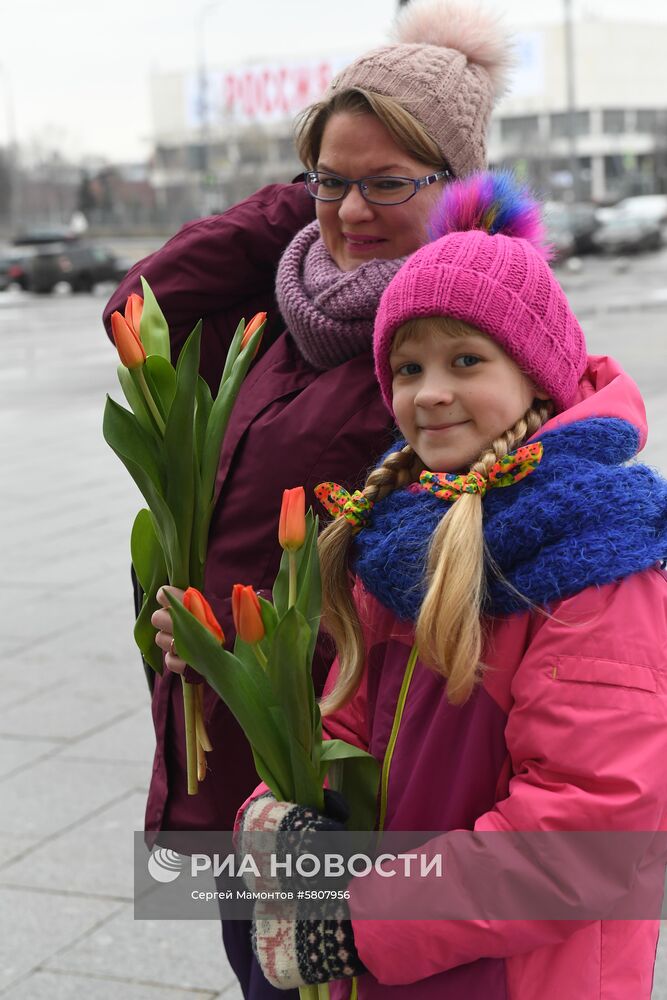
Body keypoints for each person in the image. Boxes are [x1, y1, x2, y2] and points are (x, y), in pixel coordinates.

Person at [102, 2, 514, 996]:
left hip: (339, 763)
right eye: (330, 179)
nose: (352, 212)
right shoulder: (286, 310)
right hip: (238, 733)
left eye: (387, 183)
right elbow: (138, 309)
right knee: (261, 970)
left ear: (455, 186)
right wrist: (317, 198)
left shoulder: (460, 333)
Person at [239, 171, 667, 998]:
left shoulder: (598, 551)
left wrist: (358, 919)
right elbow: (346, 719)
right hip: (402, 966)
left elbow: (587, 831)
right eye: (406, 368)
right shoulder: (401, 526)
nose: (428, 394)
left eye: (464, 360)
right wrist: (282, 809)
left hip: (518, 976)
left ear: (536, 372)